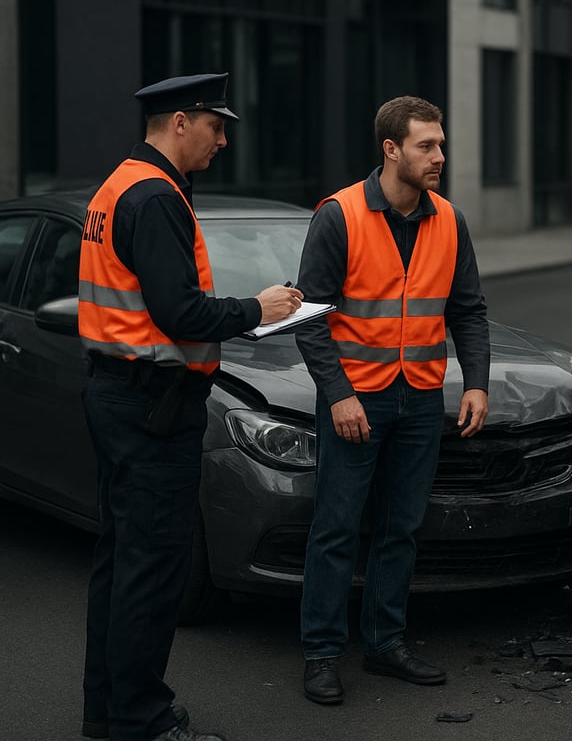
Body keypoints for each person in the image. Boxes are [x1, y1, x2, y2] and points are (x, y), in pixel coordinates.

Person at [78, 73, 302, 741]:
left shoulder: (119, 185)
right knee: (153, 568)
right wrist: (257, 308)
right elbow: (181, 313)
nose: (223, 140)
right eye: (216, 125)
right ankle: (142, 721)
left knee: (122, 560)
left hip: (120, 394)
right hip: (152, 407)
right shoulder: (156, 196)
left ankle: (107, 712)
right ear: (181, 122)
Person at [295, 95, 490, 705]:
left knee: (401, 528)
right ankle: (322, 654)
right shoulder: (340, 216)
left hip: (421, 399)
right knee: (336, 528)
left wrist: (476, 381)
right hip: (358, 401)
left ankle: (385, 644)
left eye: (441, 145)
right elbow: (310, 319)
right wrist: (338, 395)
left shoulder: (449, 220)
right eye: (426, 146)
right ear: (391, 150)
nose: (439, 156)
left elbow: (468, 310)